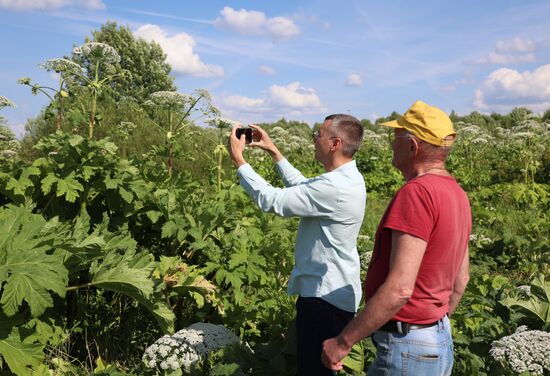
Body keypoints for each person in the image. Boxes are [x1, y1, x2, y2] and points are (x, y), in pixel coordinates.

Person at [321, 101, 471, 375]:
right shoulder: (457, 194)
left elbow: (401, 288)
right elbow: (461, 280)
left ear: (413, 147)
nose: (391, 143)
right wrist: (431, 327)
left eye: (397, 137)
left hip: (406, 346)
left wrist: (342, 342)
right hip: (437, 339)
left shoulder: (416, 193)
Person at [227, 115, 366, 375]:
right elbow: (305, 187)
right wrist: (274, 152)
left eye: (319, 134)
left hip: (324, 300)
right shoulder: (345, 179)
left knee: (314, 371)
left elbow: (271, 200)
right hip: (331, 295)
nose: (314, 138)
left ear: (335, 143)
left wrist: (239, 161)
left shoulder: (335, 187)